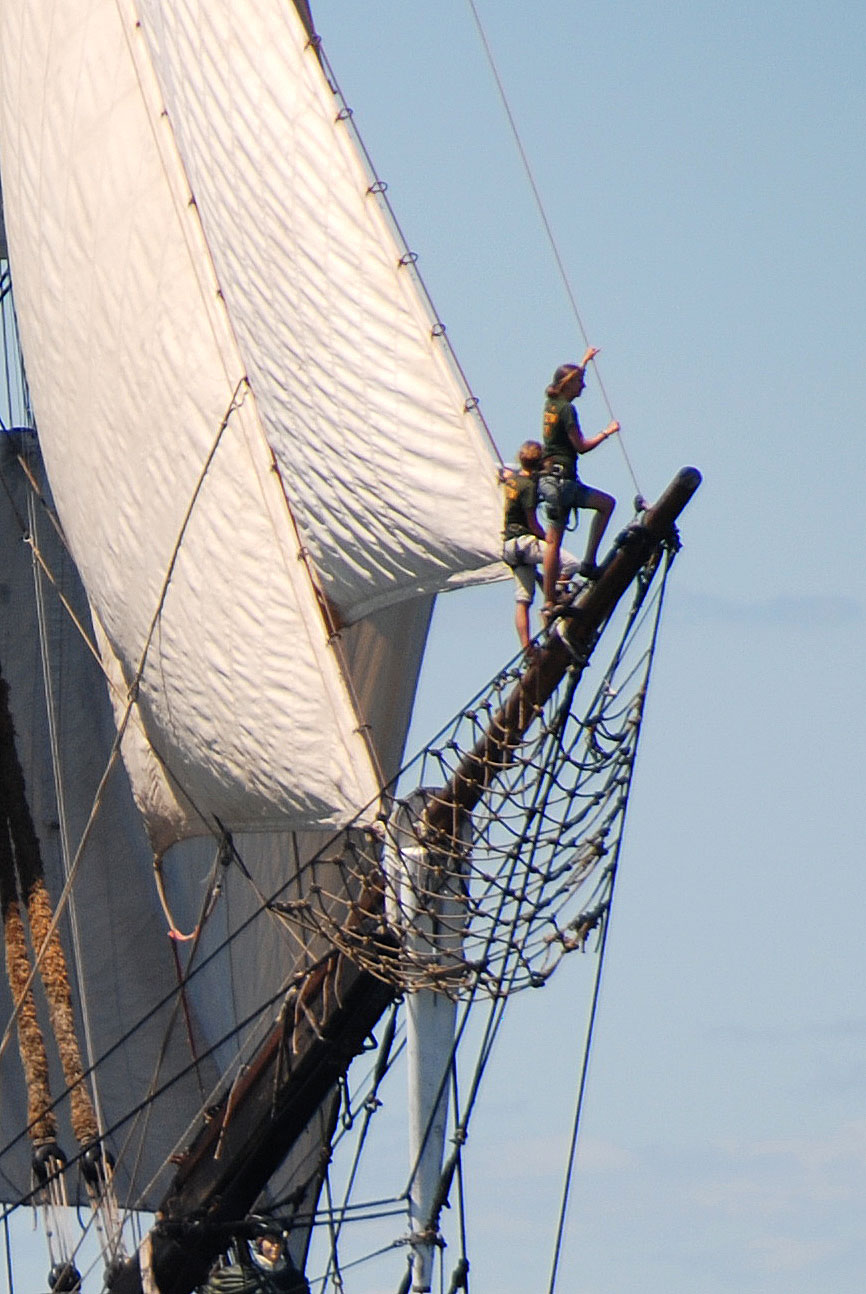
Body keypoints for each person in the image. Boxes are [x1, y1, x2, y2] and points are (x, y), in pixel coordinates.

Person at [538, 346, 619, 614]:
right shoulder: (568, 411)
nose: (583, 388)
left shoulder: (551, 404)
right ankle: (588, 563)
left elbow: (571, 377)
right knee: (606, 504)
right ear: (568, 384)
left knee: (553, 543)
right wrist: (607, 432)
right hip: (565, 483)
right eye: (580, 383)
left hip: (548, 480)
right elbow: (581, 446)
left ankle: (550, 599)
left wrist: (584, 362)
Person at [502, 440, 579, 649]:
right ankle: (552, 601)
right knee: (571, 564)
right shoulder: (528, 487)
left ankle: (527, 648)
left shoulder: (513, 482)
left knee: (523, 600)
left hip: (509, 546)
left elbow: (512, 474)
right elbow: (532, 522)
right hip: (526, 542)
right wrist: (547, 539)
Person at [200, 1217, 309, 1294]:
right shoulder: (237, 1275)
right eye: (270, 1241)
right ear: (260, 1243)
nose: (275, 1246)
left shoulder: (294, 1279)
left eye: (279, 1242)